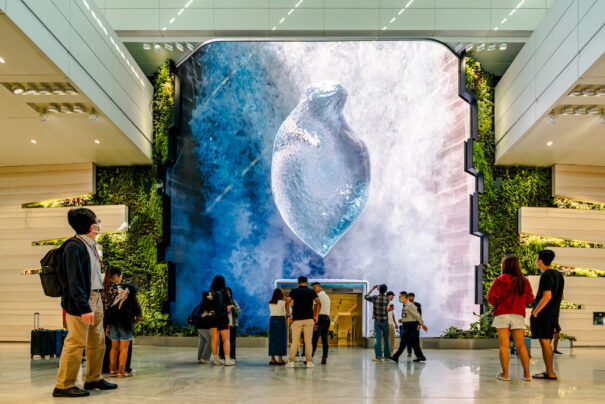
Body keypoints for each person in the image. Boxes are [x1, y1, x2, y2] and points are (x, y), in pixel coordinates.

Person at [53, 208, 117, 398]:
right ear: (91, 226)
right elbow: (75, 281)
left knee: (98, 342)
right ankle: (64, 385)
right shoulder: (74, 247)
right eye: (97, 220)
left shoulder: (90, 245)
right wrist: (84, 307)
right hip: (81, 300)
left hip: (96, 297)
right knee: (76, 342)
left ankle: (94, 379)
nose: (99, 223)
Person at [488, 255, 534, 381]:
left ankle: (505, 375)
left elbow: (491, 298)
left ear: (504, 266)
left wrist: (500, 304)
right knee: (521, 345)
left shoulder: (498, 280)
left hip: (501, 314)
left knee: (504, 345)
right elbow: (530, 299)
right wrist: (520, 302)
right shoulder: (524, 281)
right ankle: (527, 375)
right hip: (518, 314)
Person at [530, 249, 564, 380]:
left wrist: (535, 312)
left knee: (545, 342)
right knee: (546, 342)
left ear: (540, 261)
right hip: (553, 314)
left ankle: (550, 372)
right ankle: (549, 371)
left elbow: (547, 296)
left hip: (544, 314)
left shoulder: (546, 275)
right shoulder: (558, 275)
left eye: (536, 258)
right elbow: (561, 297)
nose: (536, 261)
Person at [104, 283, 142, 378]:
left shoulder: (116, 300)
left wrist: (108, 328)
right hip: (125, 326)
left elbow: (109, 315)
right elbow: (139, 318)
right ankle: (121, 371)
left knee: (114, 348)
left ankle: (112, 370)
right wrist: (132, 322)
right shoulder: (133, 302)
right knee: (124, 349)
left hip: (113, 326)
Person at [286, 276, 321, 368]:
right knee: (308, 341)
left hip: (296, 320)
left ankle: (291, 362)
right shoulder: (311, 291)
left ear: (298, 283)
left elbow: (287, 302)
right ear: (307, 283)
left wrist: (288, 316)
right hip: (309, 320)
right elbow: (318, 302)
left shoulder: (294, 291)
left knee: (295, 341)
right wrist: (316, 316)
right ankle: (309, 362)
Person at [390, 291, 428, 363]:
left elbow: (417, 315)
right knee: (414, 343)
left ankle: (396, 356)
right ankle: (421, 356)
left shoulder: (410, 305)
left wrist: (422, 324)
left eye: (400, 297)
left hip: (411, 326)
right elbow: (408, 315)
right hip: (407, 325)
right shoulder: (405, 305)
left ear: (404, 297)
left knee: (403, 342)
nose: (399, 298)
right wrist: (402, 319)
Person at [205, 275, 235, 366]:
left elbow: (207, 306)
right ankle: (227, 360)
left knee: (214, 339)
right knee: (226, 339)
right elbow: (229, 305)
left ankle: (216, 360)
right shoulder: (224, 292)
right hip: (223, 318)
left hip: (212, 318)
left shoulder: (210, 293)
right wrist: (228, 307)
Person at [364, 284, 390, 362]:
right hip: (385, 321)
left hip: (377, 321)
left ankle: (378, 357)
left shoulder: (375, 297)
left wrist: (372, 289)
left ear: (379, 290)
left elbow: (366, 297)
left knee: (378, 340)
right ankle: (387, 356)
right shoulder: (387, 299)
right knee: (386, 339)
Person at [311, 282, 331, 365]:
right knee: (325, 340)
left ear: (319, 287)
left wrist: (314, 319)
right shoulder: (327, 296)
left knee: (314, 339)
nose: (313, 290)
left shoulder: (318, 296)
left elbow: (316, 308)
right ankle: (324, 357)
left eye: (314, 288)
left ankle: (310, 357)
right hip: (327, 318)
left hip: (319, 318)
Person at [268, 288, 289, 365]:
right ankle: (280, 359)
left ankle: (272, 359)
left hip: (272, 320)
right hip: (281, 320)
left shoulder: (270, 303)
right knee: (281, 339)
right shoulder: (283, 303)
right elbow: (287, 312)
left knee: (273, 339)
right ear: (281, 295)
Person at [220, 287, 241, 361]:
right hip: (223, 325)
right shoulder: (220, 302)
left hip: (232, 325)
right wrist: (226, 308)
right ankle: (222, 356)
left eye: (228, 293)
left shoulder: (233, 301)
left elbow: (238, 312)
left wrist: (232, 308)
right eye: (226, 293)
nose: (227, 295)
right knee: (222, 341)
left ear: (230, 294)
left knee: (232, 341)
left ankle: (232, 356)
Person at [193, 291, 213, 364]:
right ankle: (204, 358)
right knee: (211, 340)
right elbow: (201, 314)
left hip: (200, 325)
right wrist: (206, 314)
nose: (211, 296)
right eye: (209, 295)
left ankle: (200, 357)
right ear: (206, 296)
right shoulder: (206, 304)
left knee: (202, 341)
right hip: (203, 325)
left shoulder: (202, 303)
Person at [406, 293, 422, 358]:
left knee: (416, 339)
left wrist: (419, 324)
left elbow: (420, 315)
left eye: (410, 297)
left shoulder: (418, 305)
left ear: (413, 297)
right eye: (408, 297)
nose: (409, 298)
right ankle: (409, 352)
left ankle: (417, 353)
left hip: (415, 324)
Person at [386, 291, 396, 356]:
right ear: (389, 295)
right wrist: (389, 309)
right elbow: (384, 311)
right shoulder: (384, 302)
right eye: (392, 296)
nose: (393, 297)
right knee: (384, 338)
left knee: (392, 338)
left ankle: (391, 351)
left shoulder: (391, 303)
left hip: (391, 323)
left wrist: (395, 323)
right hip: (385, 323)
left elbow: (392, 314)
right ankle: (384, 351)